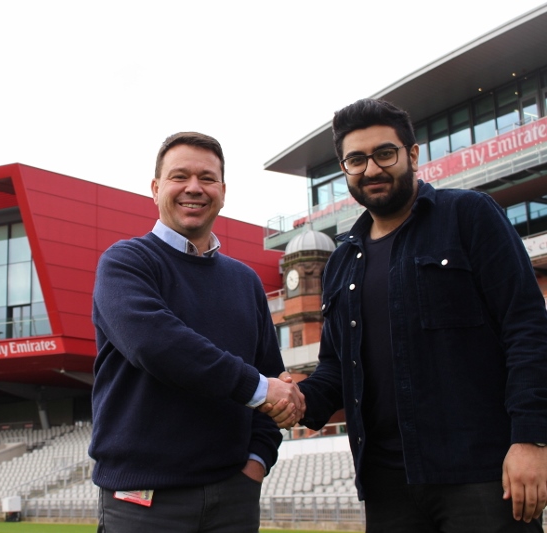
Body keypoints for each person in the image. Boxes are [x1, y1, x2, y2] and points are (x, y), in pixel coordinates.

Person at [282, 98, 547, 532]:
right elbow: (334, 369)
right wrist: (292, 398)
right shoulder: (342, 262)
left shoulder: (469, 216)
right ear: (345, 169)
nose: (371, 169)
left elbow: (527, 329)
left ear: (412, 153)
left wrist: (531, 439)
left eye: (384, 153)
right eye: (356, 159)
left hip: (480, 473)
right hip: (387, 486)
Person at [89, 132, 304, 533]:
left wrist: (256, 463)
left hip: (233, 498)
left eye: (207, 178)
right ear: (155, 189)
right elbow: (156, 344)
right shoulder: (125, 263)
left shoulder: (245, 281)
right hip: (144, 502)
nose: (194, 188)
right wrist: (259, 388)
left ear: (223, 191)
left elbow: (272, 377)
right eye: (179, 176)